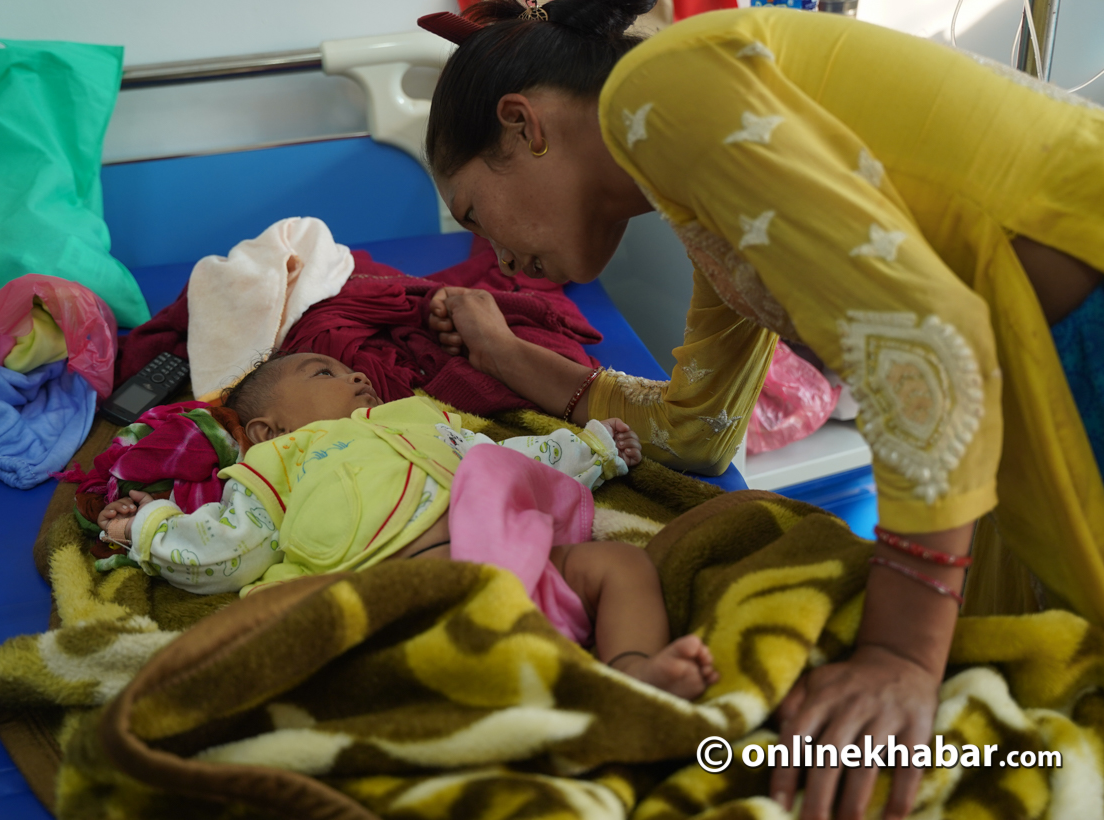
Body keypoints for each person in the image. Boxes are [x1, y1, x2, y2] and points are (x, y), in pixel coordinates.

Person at [416, 1, 1104, 818]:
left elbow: (924, 343)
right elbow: (696, 434)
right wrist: (503, 356)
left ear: (523, 125)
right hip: (1032, 393)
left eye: (472, 212)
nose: (492, 254)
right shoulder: (705, 208)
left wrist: (897, 652)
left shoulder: (663, 88)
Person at [99, 352, 720, 700]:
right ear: (268, 430)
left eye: (353, 371)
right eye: (324, 374)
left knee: (622, 566)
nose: (356, 377)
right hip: (408, 590)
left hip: (515, 560)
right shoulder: (280, 462)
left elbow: (510, 464)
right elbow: (228, 547)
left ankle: (634, 669)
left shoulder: (421, 422)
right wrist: (149, 527)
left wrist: (591, 447)